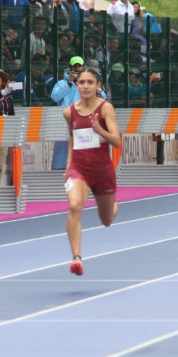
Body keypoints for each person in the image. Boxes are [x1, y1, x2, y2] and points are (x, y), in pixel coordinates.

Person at [62, 69, 121, 276]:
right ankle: (76, 258)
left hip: (102, 170)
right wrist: (69, 164)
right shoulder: (69, 111)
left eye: (90, 82)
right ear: (76, 85)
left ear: (98, 85)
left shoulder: (106, 109)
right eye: (81, 82)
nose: (85, 86)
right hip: (79, 169)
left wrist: (100, 131)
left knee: (106, 220)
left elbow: (117, 141)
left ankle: (113, 206)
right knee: (74, 205)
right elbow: (72, 137)